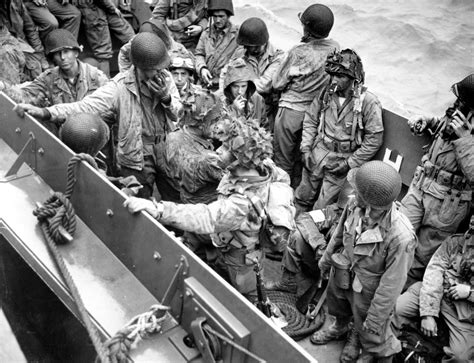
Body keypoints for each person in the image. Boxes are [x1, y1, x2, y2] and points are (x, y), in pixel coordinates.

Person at [124, 118, 295, 302]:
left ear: (242, 160)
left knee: (247, 297)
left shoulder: (242, 204)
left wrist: (159, 209)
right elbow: (282, 177)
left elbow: (206, 217)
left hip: (238, 258)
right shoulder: (263, 165)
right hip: (227, 243)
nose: (218, 150)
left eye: (226, 149)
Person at [13, 32, 182, 201]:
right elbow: (85, 106)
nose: (160, 71)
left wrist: (166, 98)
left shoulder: (165, 79)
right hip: (136, 156)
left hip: (166, 150)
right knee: (139, 204)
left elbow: (178, 114)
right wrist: (47, 112)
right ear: (141, 67)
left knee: (175, 199)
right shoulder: (119, 87)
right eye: (155, 69)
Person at [311, 161, 416, 363]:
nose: (353, 192)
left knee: (369, 329)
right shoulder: (353, 205)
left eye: (357, 191)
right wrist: (325, 261)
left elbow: (392, 284)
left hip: (369, 290)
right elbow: (339, 235)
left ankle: (363, 344)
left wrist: (376, 319)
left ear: (369, 201)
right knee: (338, 305)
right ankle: (340, 327)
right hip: (342, 272)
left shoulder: (400, 236)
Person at [403, 74, 474, 284]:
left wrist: (465, 140)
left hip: (447, 207)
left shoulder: (466, 130)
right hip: (420, 188)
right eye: (458, 100)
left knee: (419, 259)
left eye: (463, 102)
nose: (457, 104)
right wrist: (427, 122)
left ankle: (396, 305)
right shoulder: (457, 114)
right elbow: (441, 127)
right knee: (398, 236)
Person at [295, 49, 384, 213]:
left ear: (353, 78)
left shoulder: (368, 102)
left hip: (342, 160)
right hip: (318, 151)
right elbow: (311, 118)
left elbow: (373, 140)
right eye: (332, 75)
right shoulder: (325, 93)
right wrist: (306, 148)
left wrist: (349, 163)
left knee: (322, 208)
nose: (334, 80)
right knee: (302, 197)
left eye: (341, 76)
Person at [273, 4, 339, 188]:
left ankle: (280, 195)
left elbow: (277, 83)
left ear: (307, 29)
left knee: (282, 162)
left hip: (290, 113)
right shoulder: (335, 48)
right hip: (314, 116)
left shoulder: (297, 52)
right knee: (302, 160)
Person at [394, 217, 474, 362]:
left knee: (460, 358)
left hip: (465, 314)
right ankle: (388, 353)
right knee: (396, 309)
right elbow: (434, 272)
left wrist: (469, 293)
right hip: (436, 293)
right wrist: (428, 313)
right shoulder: (456, 242)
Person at [6, 29, 109, 136]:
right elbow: (25, 94)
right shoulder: (49, 78)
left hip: (95, 134)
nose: (63, 58)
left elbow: (110, 110)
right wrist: (4, 87)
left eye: (66, 52)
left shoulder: (96, 77)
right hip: (65, 136)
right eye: (57, 54)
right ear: (53, 58)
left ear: (76, 53)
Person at [163, 89, 226, 264]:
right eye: (214, 121)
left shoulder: (174, 137)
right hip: (209, 222)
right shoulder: (207, 162)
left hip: (190, 211)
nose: (219, 124)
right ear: (200, 123)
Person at [221, 17, 285, 131]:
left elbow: (264, 85)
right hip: (241, 101)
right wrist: (226, 93)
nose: (251, 50)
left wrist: (239, 82)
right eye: (248, 47)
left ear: (264, 42)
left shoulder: (277, 57)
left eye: (255, 47)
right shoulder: (241, 52)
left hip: (266, 106)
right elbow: (226, 73)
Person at [75, 0, 135, 76]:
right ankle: (106, 81)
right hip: (92, 8)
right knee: (103, 53)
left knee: (132, 39)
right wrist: (113, 8)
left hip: (104, 7)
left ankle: (133, 76)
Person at [118, 18, 191, 73]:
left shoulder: (176, 47)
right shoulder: (136, 42)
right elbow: (123, 54)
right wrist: (127, 74)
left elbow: (188, 66)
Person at [194, 0, 238, 90]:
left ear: (228, 16)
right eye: (215, 16)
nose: (217, 20)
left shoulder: (237, 35)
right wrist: (202, 68)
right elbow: (199, 54)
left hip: (226, 85)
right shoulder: (206, 34)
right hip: (205, 83)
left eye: (221, 16)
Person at [0, 0, 49, 81]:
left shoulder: (16, 3)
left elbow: (30, 29)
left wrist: (40, 54)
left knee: (39, 70)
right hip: (7, 51)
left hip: (22, 45)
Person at [219, 58, 266, 126]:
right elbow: (219, 129)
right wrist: (233, 109)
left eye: (243, 86)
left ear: (248, 85)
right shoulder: (221, 101)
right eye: (235, 86)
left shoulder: (258, 100)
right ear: (229, 86)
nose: (240, 91)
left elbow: (265, 128)